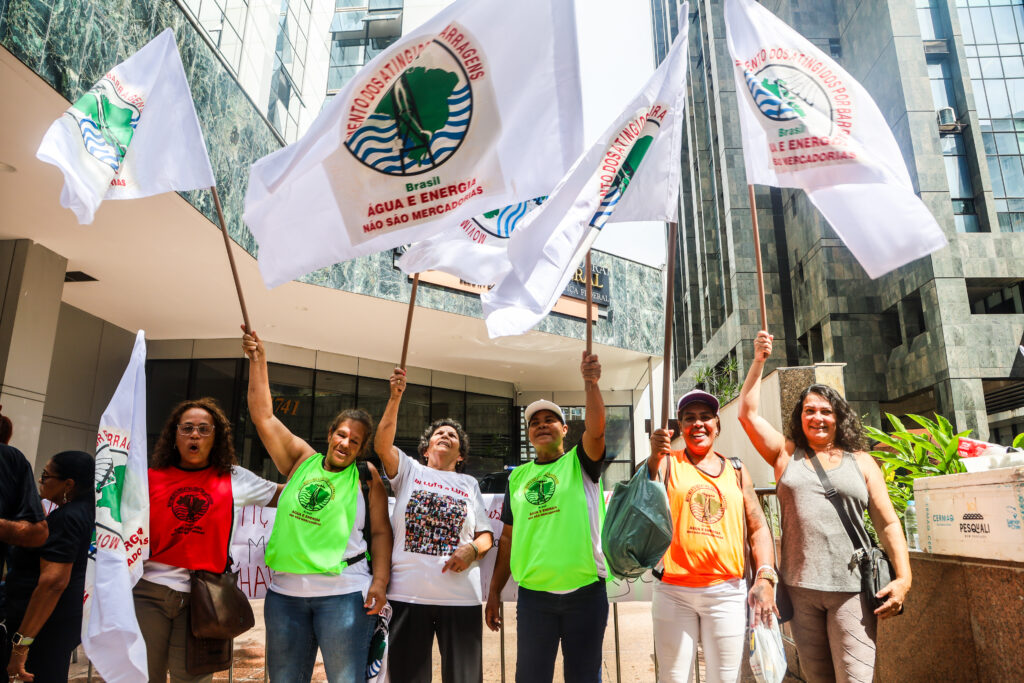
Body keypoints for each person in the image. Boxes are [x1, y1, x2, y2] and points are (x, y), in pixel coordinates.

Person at [737, 330, 912, 683]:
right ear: (800, 417)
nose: (817, 417)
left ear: (838, 417)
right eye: (809, 410)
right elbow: (746, 413)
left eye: (826, 411)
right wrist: (759, 360)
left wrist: (905, 579)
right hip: (800, 592)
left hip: (851, 592)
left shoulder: (861, 462)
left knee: (855, 678)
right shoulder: (786, 455)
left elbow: (889, 524)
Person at [243, 329, 392, 683]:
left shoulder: (365, 475)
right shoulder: (300, 460)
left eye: (355, 440)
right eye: (342, 434)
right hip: (284, 596)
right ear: (330, 434)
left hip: (343, 595)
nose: (346, 443)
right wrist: (258, 360)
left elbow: (382, 531)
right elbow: (264, 417)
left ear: (362, 448)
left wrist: (381, 581)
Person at [134, 398, 282, 683]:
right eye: (187, 428)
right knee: (140, 676)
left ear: (216, 438)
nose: (195, 435)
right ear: (174, 435)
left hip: (206, 598)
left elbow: (286, 496)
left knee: (192, 679)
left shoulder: (235, 478)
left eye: (204, 429)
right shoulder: (148, 478)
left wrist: (330, 473)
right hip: (148, 592)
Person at [485, 351, 610, 683]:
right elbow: (508, 538)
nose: (541, 426)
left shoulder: (581, 463)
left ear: (565, 429)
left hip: (584, 593)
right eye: (534, 423)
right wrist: (495, 590)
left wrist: (591, 385)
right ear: (529, 434)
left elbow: (596, 431)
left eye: (549, 420)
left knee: (583, 678)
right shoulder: (517, 478)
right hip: (534, 598)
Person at [645, 389, 778, 683]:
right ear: (680, 427)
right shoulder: (668, 463)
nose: (698, 424)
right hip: (673, 591)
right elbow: (643, 492)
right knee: (673, 678)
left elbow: (758, 528)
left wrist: (766, 578)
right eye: (689, 418)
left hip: (726, 593)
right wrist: (653, 457)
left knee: (723, 679)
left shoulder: (737, 470)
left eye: (706, 417)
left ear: (717, 424)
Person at [374, 367, 494, 683]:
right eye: (438, 433)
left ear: (461, 455)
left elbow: (486, 535)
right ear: (426, 450)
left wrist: (472, 550)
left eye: (452, 435)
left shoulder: (468, 483)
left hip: (461, 600)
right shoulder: (409, 471)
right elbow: (382, 446)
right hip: (407, 597)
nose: (444, 435)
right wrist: (395, 398)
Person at [3, 450, 94, 683]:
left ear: (68, 484)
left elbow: (52, 583)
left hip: (45, 627)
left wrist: (21, 645)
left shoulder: (67, 518)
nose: (41, 482)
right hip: (62, 620)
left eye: (46, 476)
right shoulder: (87, 511)